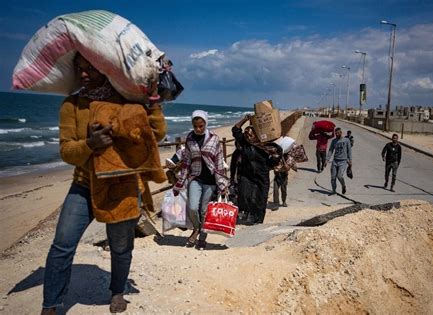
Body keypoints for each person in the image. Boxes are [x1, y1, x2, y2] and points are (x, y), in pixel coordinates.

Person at [41, 53, 167, 314]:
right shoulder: (72, 106)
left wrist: (153, 103)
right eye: (80, 69)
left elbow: (155, 134)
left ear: (106, 69)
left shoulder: (127, 102)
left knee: (121, 247)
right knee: (62, 245)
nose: (84, 74)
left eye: (91, 68)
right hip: (83, 184)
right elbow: (66, 152)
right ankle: (51, 304)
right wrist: (90, 144)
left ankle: (117, 291)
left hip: (122, 186)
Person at [173, 110, 228, 250]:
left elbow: (219, 163)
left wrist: (222, 185)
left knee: (204, 211)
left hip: (210, 181)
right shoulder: (190, 138)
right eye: (195, 126)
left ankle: (202, 238)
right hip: (195, 178)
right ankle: (197, 229)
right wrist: (179, 183)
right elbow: (186, 162)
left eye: (201, 126)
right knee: (192, 207)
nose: (198, 129)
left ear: (205, 124)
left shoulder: (215, 139)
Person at [232, 115, 281, 225]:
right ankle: (248, 214)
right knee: (244, 195)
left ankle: (259, 221)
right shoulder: (244, 144)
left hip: (262, 176)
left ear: (256, 135)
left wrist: (270, 165)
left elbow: (278, 153)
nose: (249, 136)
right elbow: (235, 129)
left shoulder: (265, 145)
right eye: (247, 134)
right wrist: (245, 119)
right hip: (246, 175)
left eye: (251, 134)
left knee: (261, 199)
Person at [326, 127, 352, 195]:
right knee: (333, 177)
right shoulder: (334, 141)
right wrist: (327, 160)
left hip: (343, 161)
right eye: (336, 133)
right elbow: (330, 150)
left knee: (339, 176)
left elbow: (349, 151)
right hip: (335, 161)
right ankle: (334, 190)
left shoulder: (346, 140)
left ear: (341, 133)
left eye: (338, 133)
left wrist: (350, 160)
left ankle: (343, 186)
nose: (337, 134)